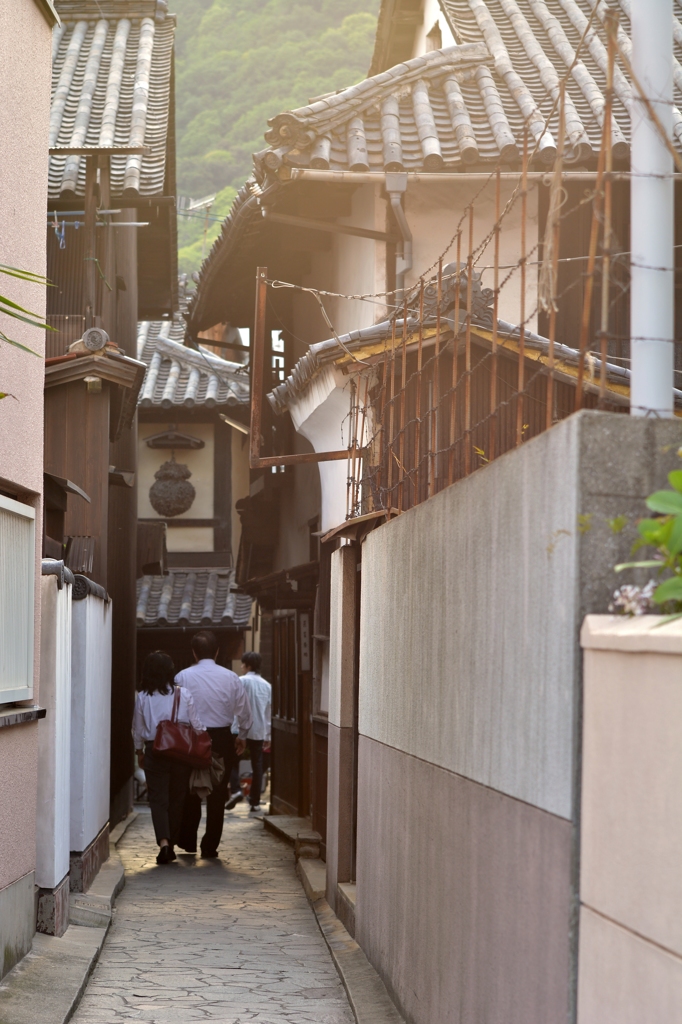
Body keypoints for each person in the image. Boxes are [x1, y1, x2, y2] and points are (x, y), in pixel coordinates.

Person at [175, 630, 252, 858]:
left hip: (190, 739)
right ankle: (210, 846)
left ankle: (188, 840)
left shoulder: (182, 677)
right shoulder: (230, 678)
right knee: (218, 793)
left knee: (190, 789)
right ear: (217, 652)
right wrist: (242, 736)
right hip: (221, 739)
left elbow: (176, 709)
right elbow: (245, 713)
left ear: (194, 652)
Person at [132, 651, 205, 865]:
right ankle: (171, 844)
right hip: (181, 752)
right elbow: (197, 726)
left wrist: (139, 752)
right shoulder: (183, 694)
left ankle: (164, 844)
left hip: (154, 751)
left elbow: (137, 729)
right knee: (177, 799)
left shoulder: (143, 697)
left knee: (158, 800)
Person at [226, 651, 271, 813]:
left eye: (243, 664)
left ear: (248, 665)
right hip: (258, 730)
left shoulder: (240, 681)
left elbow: (231, 705)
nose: (241, 667)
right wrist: (268, 735)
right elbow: (268, 714)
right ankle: (254, 801)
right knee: (257, 765)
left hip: (238, 729)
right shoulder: (267, 685)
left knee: (231, 761)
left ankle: (237, 790)